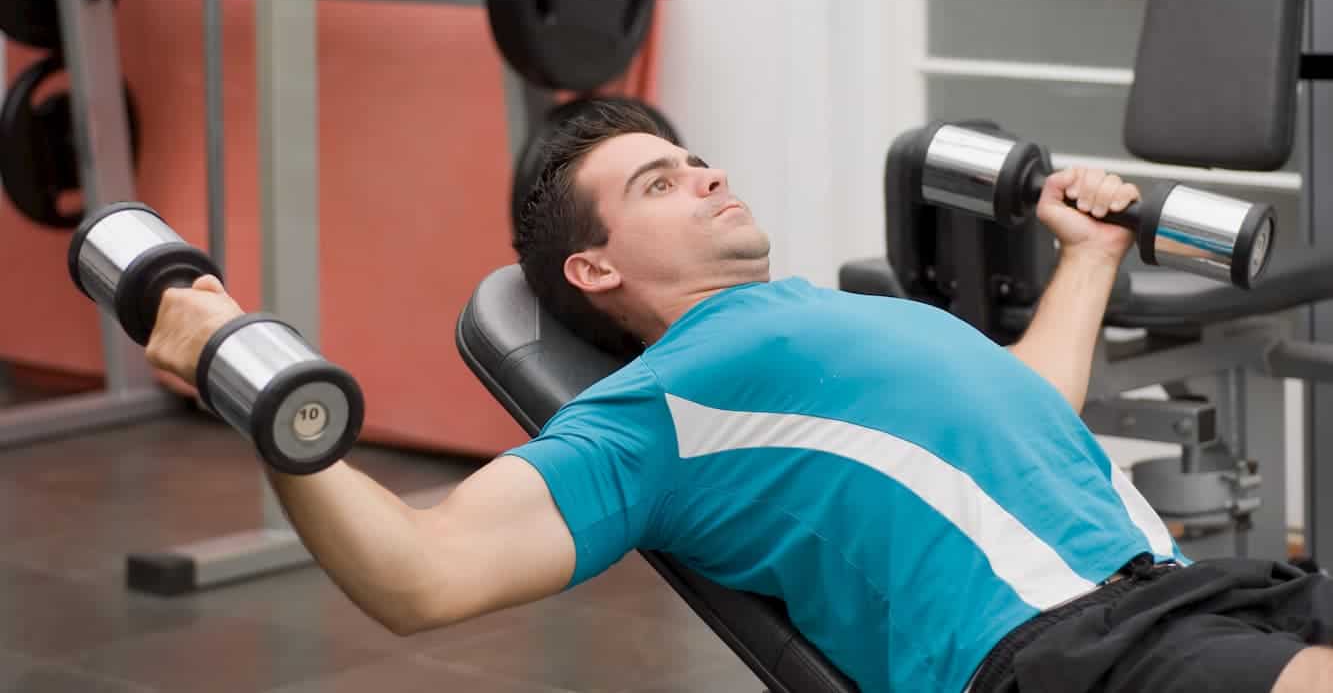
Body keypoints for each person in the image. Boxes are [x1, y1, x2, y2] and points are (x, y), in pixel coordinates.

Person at [145, 99, 1333, 693]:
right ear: (595, 269)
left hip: (1204, 592)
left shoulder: (846, 321)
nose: (705, 172)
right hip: (1063, 657)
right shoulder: (656, 408)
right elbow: (421, 571)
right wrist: (237, 372)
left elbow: (1031, 404)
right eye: (658, 181)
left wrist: (1085, 254)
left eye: (693, 157)